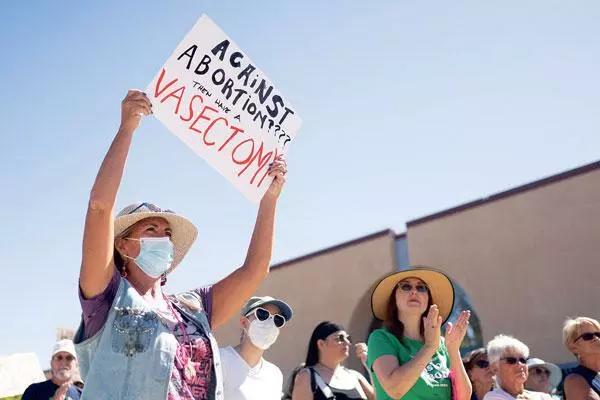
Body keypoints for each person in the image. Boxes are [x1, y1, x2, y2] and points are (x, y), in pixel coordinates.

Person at [73, 90, 287, 400]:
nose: (162, 235)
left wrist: (270, 198)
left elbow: (255, 270)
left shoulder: (194, 309)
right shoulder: (105, 299)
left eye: (167, 232)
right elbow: (99, 208)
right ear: (122, 245)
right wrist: (127, 129)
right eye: (151, 228)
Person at [367, 267, 472, 400]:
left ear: (428, 300)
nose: (414, 292)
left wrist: (453, 351)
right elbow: (395, 389)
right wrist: (429, 347)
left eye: (421, 288)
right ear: (393, 298)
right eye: (406, 286)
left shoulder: (441, 343)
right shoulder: (381, 338)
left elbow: (464, 397)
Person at [220, 296, 293, 400]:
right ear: (244, 322)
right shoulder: (221, 360)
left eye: (277, 320)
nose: (270, 322)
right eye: (262, 314)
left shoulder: (274, 375)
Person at [292, 321, 375, 400]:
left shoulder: (355, 376)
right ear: (321, 344)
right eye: (340, 338)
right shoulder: (307, 377)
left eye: (348, 338)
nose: (347, 342)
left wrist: (369, 365)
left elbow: (380, 397)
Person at [483, 334, 552, 399]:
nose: (520, 364)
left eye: (523, 360)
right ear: (495, 368)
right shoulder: (492, 397)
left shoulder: (543, 397)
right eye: (511, 360)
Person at [562, 317, 600, 399]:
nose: (596, 338)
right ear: (574, 348)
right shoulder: (574, 380)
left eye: (598, 334)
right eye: (588, 336)